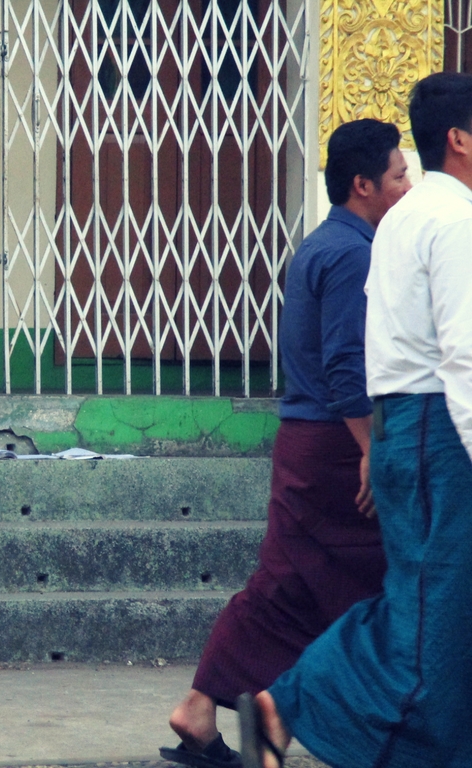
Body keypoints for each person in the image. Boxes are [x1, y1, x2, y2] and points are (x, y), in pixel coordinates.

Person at [237, 71, 472, 768]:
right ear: (459, 139)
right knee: (432, 613)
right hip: (439, 427)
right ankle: (291, 702)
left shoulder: (402, 218)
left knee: (427, 602)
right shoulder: (454, 221)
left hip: (408, 423)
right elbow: (464, 351)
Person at [161, 119, 411, 768]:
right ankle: (361, 727)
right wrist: (370, 450)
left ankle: (202, 708)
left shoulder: (323, 244)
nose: (407, 187)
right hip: (335, 449)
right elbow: (346, 368)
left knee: (284, 589)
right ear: (363, 185)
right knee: (383, 589)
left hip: (306, 443)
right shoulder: (355, 253)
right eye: (398, 176)